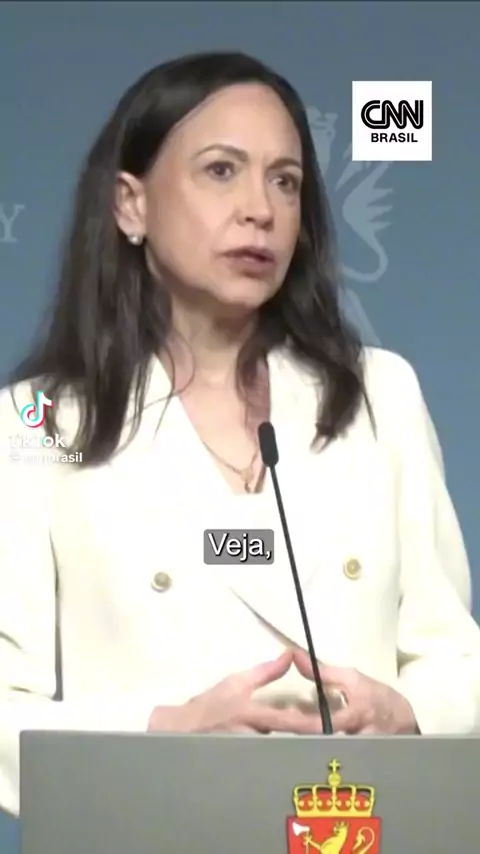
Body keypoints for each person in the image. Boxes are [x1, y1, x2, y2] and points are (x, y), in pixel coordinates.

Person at [1, 50, 479, 818]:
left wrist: (410, 713)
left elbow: (455, 657)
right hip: (151, 826)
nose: (260, 208)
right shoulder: (38, 422)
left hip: (345, 826)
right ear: (131, 205)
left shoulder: (379, 394)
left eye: (285, 181)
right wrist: (166, 731)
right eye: (221, 171)